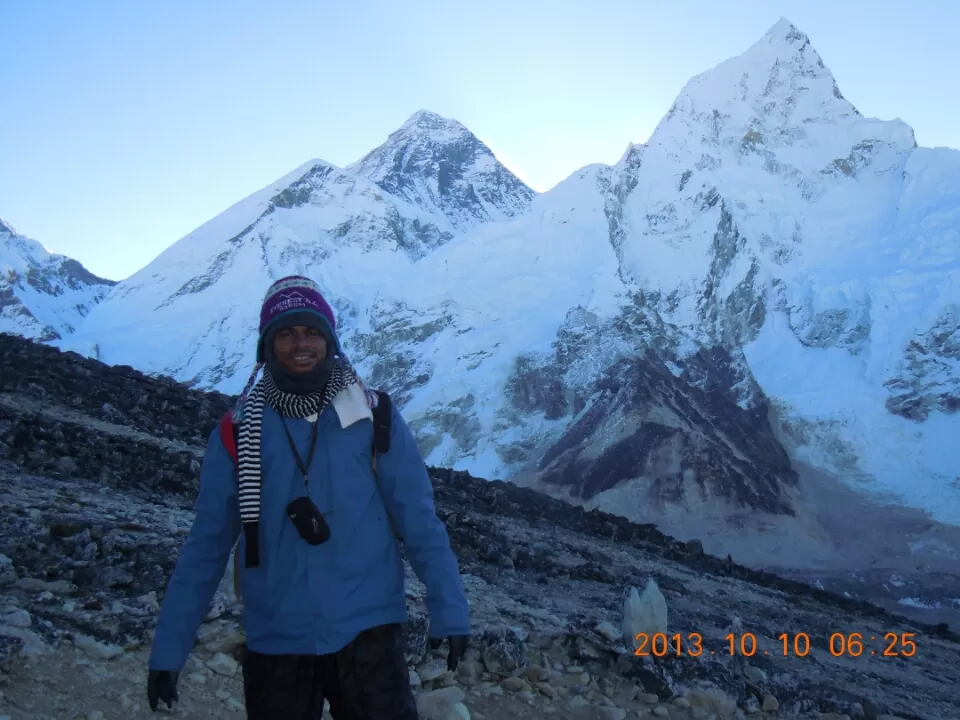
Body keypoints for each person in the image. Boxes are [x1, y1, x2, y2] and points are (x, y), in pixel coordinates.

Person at [145, 275, 471, 719]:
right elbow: (206, 545)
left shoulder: (373, 417)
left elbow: (419, 521)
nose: (302, 342)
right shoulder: (237, 432)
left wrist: (449, 610)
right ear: (266, 346)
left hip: (368, 628)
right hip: (277, 633)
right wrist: (169, 651)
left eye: (312, 331)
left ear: (331, 340)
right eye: (286, 332)